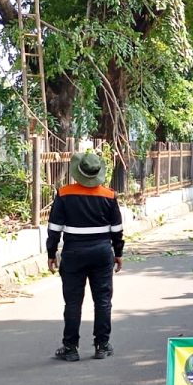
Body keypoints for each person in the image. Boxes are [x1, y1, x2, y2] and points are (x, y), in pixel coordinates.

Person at [46, 150, 124, 361]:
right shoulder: (109, 196)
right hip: (101, 253)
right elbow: (117, 229)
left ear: (78, 172)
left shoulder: (64, 193)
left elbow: (54, 228)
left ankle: (70, 348)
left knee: (72, 303)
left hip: (73, 253)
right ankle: (102, 345)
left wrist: (51, 253)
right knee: (103, 301)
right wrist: (118, 253)